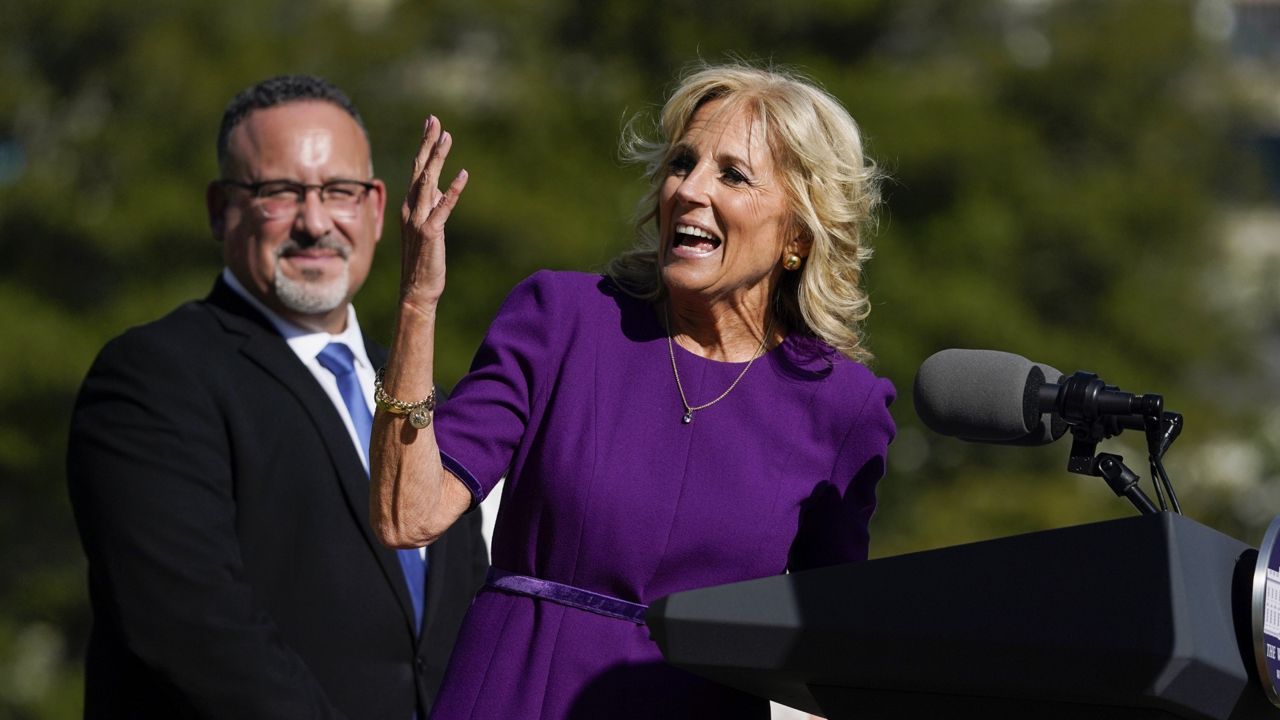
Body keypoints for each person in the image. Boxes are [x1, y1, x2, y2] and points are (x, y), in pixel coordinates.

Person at [371, 62, 895, 719]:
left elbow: (832, 655)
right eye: (682, 162)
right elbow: (406, 514)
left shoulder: (844, 407)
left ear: (797, 232)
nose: (689, 189)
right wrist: (419, 304)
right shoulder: (562, 318)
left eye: (732, 174)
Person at [66, 75, 488, 719]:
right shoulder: (151, 379)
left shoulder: (425, 395)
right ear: (219, 208)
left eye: (338, 192)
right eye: (279, 193)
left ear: (377, 208)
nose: (315, 222)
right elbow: (194, 631)